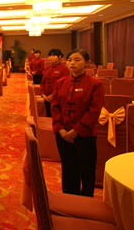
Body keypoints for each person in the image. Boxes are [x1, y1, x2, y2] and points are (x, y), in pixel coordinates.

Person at [50, 48, 104, 197]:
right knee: (68, 169)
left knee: (87, 170)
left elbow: (94, 111)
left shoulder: (95, 84)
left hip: (85, 135)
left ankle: (86, 202)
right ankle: (69, 200)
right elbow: (55, 107)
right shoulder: (60, 83)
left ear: (86, 63)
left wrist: (76, 131)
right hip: (62, 135)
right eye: (69, 60)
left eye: (77, 60)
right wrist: (60, 129)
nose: (72, 63)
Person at [40, 48, 69, 116]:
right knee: (48, 115)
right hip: (46, 97)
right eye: (50, 56)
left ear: (60, 57)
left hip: (57, 98)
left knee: (56, 116)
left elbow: (64, 85)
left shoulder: (64, 69)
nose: (51, 57)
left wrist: (53, 95)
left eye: (53, 55)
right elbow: (43, 82)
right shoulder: (47, 68)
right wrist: (43, 94)